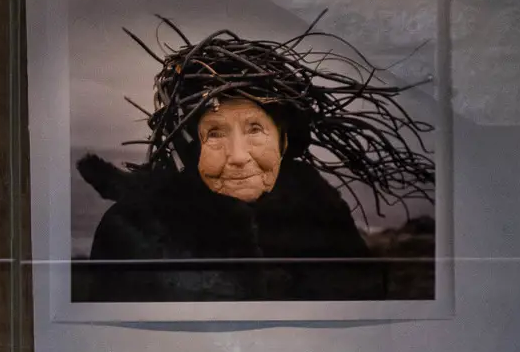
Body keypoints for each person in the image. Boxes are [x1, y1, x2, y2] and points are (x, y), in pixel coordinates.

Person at [73, 19, 433, 303]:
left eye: (255, 130)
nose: (239, 156)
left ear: (284, 141)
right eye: (215, 134)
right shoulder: (134, 226)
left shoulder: (321, 216)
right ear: (189, 148)